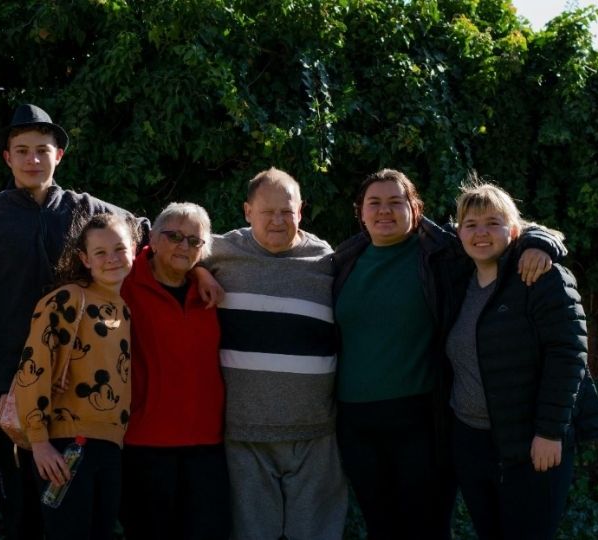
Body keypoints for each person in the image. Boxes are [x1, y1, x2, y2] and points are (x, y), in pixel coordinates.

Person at [331, 169, 566, 540]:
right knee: (381, 526)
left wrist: (541, 243)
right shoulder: (342, 261)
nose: (385, 211)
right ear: (360, 211)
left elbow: (504, 231)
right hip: (356, 424)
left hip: (422, 419)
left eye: (396, 201)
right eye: (374, 203)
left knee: (427, 527)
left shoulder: (444, 254)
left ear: (416, 209)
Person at [0, 104, 148, 539]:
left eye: (42, 150)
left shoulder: (87, 209)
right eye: (22, 150)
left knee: (73, 514)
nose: (33, 160)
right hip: (10, 393)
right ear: (7, 157)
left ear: (59, 155)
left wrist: (197, 267)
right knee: (21, 513)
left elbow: (146, 231)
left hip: (81, 400)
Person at [447, 182, 598, 540]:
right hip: (472, 443)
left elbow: (568, 355)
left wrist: (549, 431)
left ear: (514, 230)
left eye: (493, 222)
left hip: (532, 444)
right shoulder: (456, 281)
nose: (480, 232)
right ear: (459, 233)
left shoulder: (542, 278)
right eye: (470, 224)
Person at [202, 167, 347, 540]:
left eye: (287, 211)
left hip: (314, 431)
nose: (278, 221)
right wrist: (199, 272)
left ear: (301, 211)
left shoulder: (327, 260)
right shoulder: (218, 251)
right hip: (244, 431)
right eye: (268, 212)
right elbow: (158, 245)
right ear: (248, 211)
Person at [15, 212, 137, 540]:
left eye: (120, 249)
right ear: (84, 258)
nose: (111, 259)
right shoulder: (67, 298)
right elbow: (33, 367)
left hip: (110, 447)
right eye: (100, 252)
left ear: (134, 249)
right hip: (66, 445)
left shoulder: (124, 308)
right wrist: (39, 442)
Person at [120, 202, 230, 540]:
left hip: (207, 444)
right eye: (174, 236)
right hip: (146, 441)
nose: (184, 246)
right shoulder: (123, 284)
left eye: (194, 241)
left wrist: (200, 272)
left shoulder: (212, 290)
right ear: (151, 237)